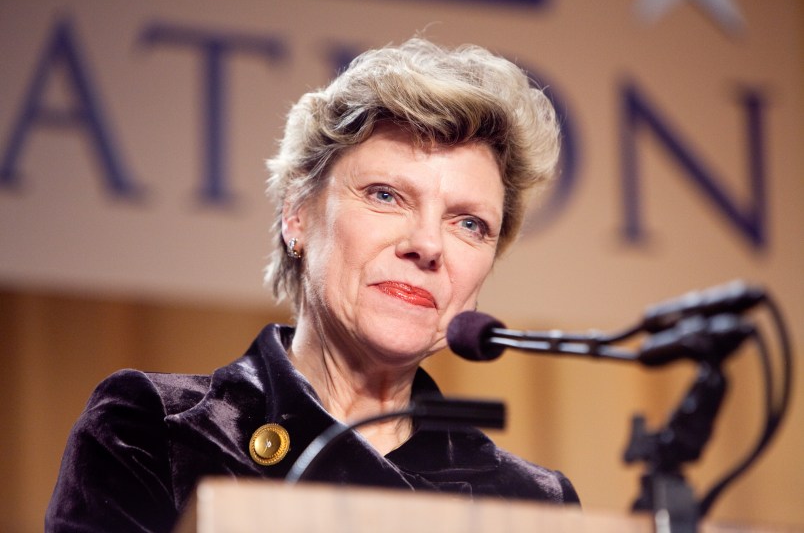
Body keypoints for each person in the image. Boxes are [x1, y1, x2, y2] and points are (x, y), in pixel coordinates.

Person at [46, 37, 580, 532]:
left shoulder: (531, 502)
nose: (429, 245)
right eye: (386, 195)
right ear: (297, 216)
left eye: (469, 224)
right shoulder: (153, 429)